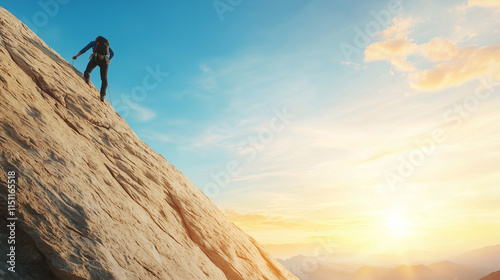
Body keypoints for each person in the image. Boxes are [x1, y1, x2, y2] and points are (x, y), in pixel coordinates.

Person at [73, 36, 114, 102]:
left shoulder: (93, 43)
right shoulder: (107, 46)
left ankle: (87, 78)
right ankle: (102, 95)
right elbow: (112, 53)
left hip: (95, 58)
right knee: (104, 78)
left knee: (87, 71)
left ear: (97, 39)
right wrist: (108, 60)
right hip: (104, 61)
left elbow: (84, 49)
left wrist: (76, 56)